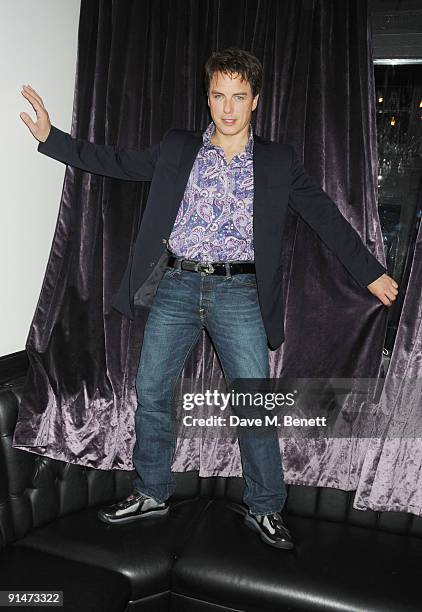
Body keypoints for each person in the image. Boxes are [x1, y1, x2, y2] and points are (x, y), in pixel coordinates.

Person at [20, 47, 398, 550]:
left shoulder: (278, 162)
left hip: (239, 290)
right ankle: (152, 492)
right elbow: (115, 162)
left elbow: (324, 215)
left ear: (255, 100)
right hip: (176, 285)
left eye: (238, 97)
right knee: (151, 392)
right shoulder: (178, 148)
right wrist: (51, 139)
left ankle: (265, 506)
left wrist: (370, 272)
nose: (227, 108)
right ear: (208, 97)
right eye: (219, 96)